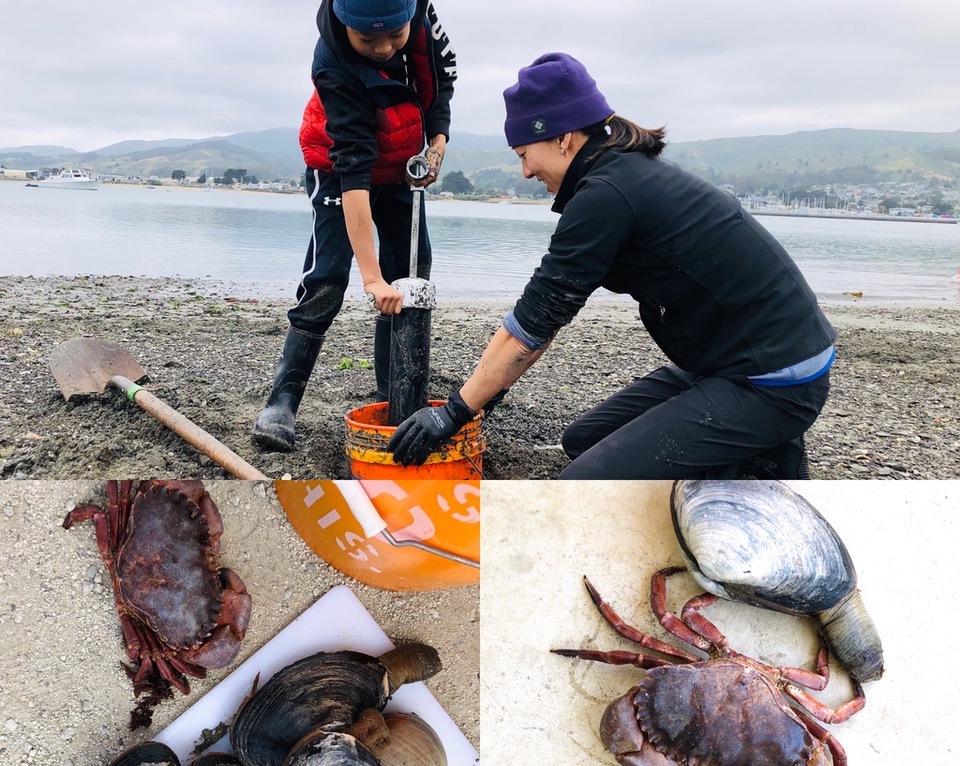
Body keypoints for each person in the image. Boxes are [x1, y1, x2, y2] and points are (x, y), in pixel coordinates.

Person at [388, 53, 837, 479]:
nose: (525, 171)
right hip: (731, 359)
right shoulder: (622, 173)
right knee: (582, 440)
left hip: (772, 378)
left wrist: (452, 413)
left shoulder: (607, 196)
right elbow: (539, 322)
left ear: (563, 137)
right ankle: (748, 444)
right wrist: (483, 398)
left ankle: (766, 455)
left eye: (524, 154)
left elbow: (530, 329)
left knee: (584, 485)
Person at [254, 0, 457, 451]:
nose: (384, 48)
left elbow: (440, 84)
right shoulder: (331, 62)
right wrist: (370, 277)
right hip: (339, 167)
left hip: (404, 163)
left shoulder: (422, 19)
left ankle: (395, 398)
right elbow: (354, 170)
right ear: (346, 23)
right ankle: (282, 401)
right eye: (368, 39)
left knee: (411, 273)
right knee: (326, 276)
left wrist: (436, 146)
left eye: (395, 36)